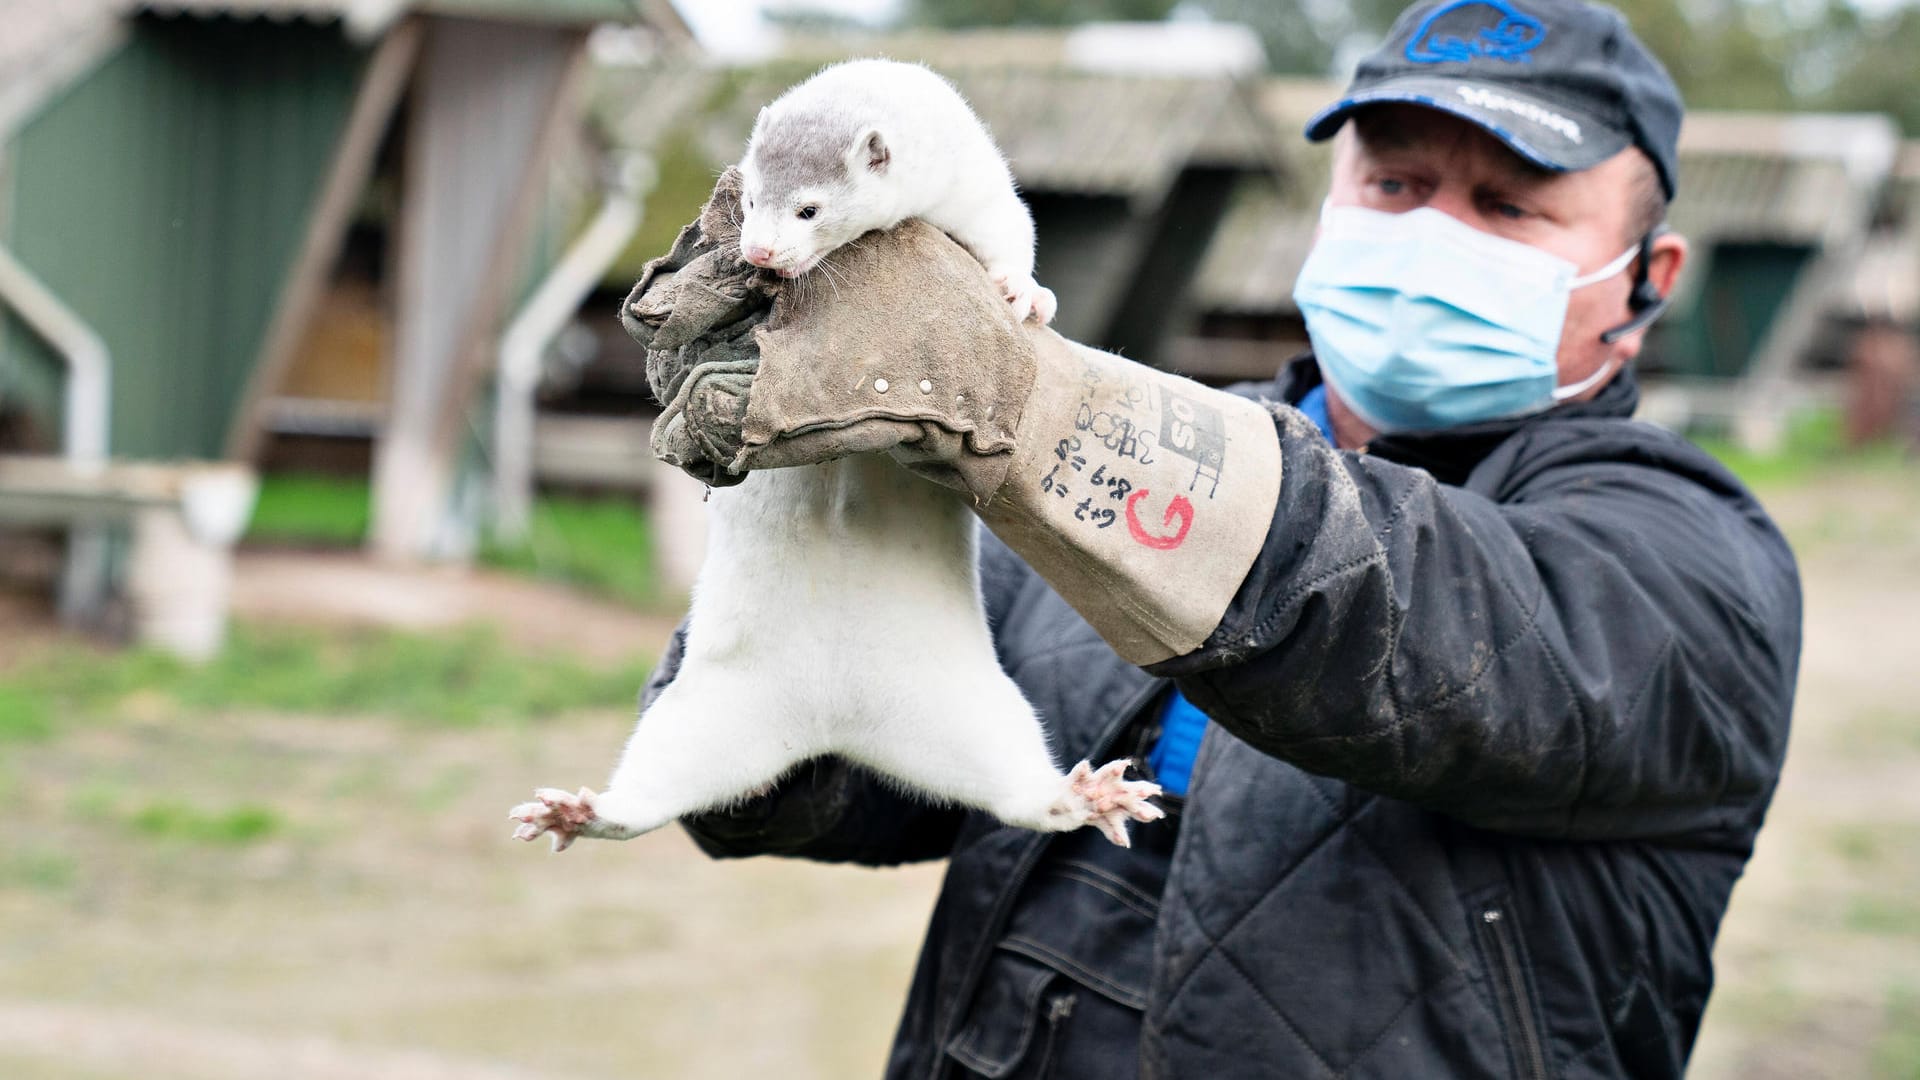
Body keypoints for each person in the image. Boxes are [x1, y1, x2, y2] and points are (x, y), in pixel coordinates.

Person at [633, 0, 1803, 1075]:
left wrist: (1027, 406)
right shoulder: (1104, 475)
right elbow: (857, 782)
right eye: (1394, 185)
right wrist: (788, 559)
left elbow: (1408, 609)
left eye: (1506, 206)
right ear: (1332, 202)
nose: (1432, 233)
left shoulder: (1695, 563)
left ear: (1650, 279)